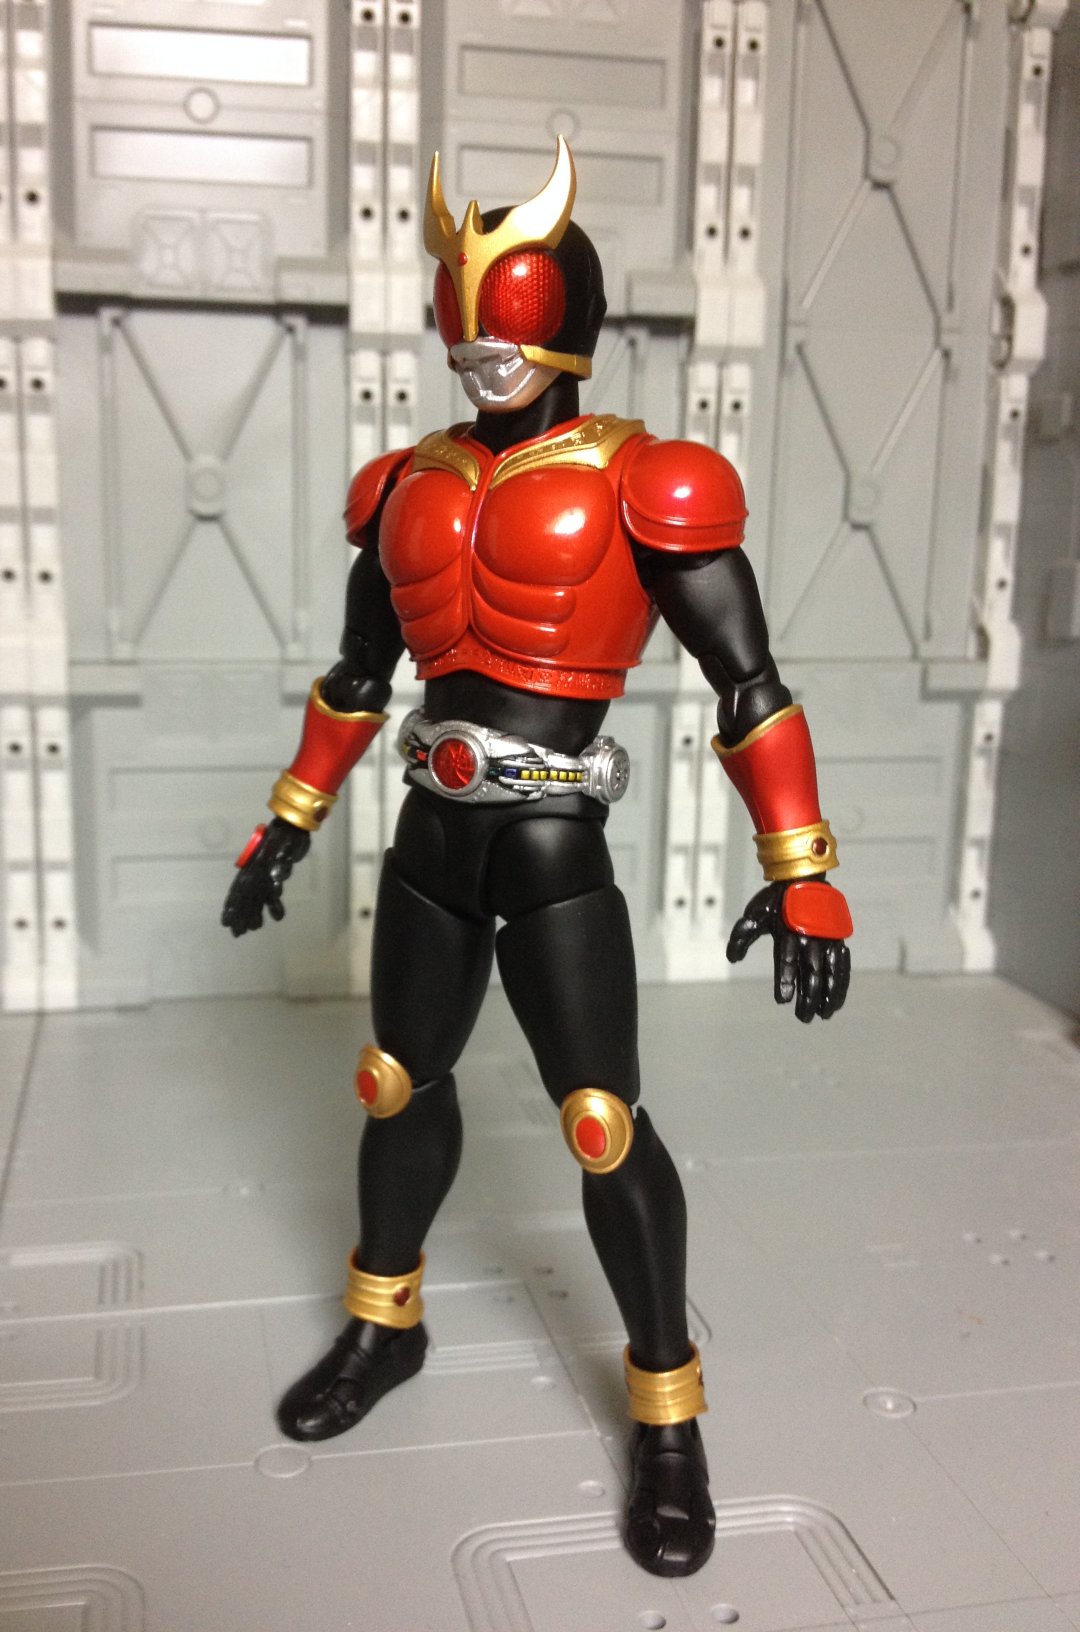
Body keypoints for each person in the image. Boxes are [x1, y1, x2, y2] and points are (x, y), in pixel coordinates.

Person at [222, 138, 852, 1578]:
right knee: (397, 1081)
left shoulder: (648, 481)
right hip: (431, 835)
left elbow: (750, 685)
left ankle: (668, 1412)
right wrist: (287, 824)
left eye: (506, 305)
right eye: (465, 309)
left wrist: (802, 867)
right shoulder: (405, 485)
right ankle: (385, 1323)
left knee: (600, 1120)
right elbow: (356, 680)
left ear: (563, 309)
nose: (482, 339)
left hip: (553, 839)